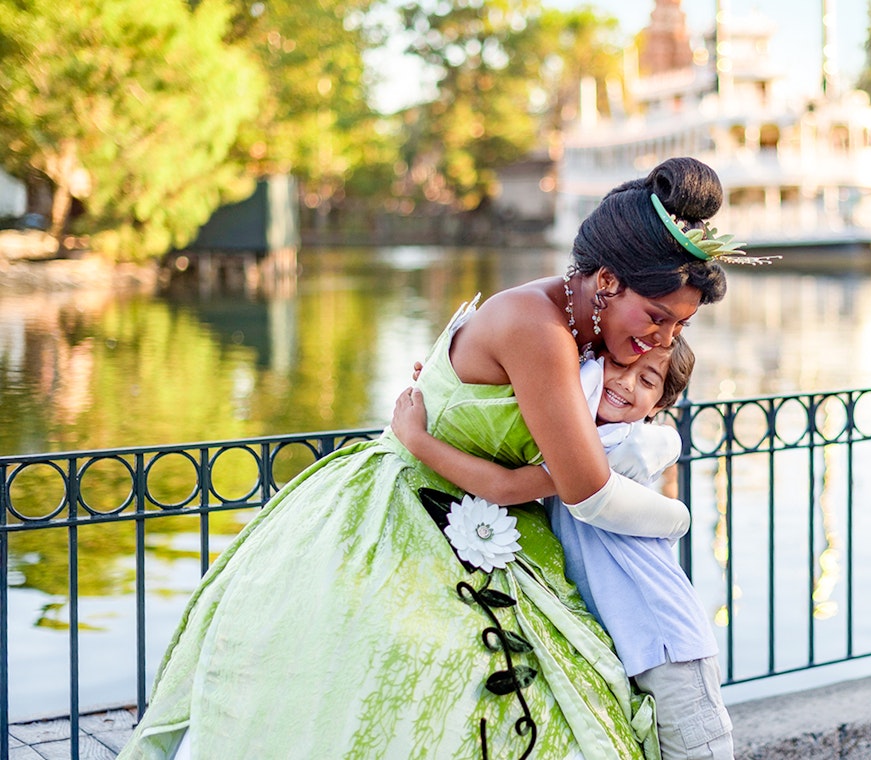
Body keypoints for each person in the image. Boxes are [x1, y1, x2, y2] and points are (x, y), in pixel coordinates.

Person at [119, 156, 737, 760]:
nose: (662, 339)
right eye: (657, 318)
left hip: (473, 513)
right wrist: (677, 518)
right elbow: (589, 491)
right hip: (411, 513)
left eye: (677, 329)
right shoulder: (540, 329)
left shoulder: (582, 329)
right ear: (606, 279)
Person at [396, 336, 732, 759]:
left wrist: (417, 439)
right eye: (619, 365)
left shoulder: (612, 446)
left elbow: (506, 486)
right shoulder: (569, 430)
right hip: (619, 638)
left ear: (658, 405)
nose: (626, 383)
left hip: (664, 638)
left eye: (646, 380)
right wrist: (450, 388)